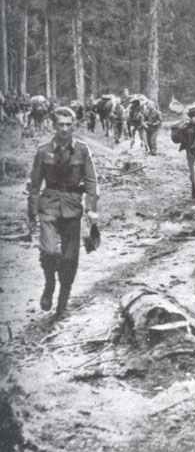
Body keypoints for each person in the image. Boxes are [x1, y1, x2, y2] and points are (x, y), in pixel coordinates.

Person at [27, 107, 99, 318]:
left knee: (69, 259)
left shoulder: (82, 150)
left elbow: (91, 181)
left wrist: (92, 210)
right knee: (49, 251)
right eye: (61, 124)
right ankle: (49, 283)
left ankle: (62, 302)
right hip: (48, 205)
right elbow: (34, 185)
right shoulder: (43, 151)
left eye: (69, 125)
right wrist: (32, 214)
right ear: (53, 125)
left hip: (72, 207)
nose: (65, 129)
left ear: (74, 126)